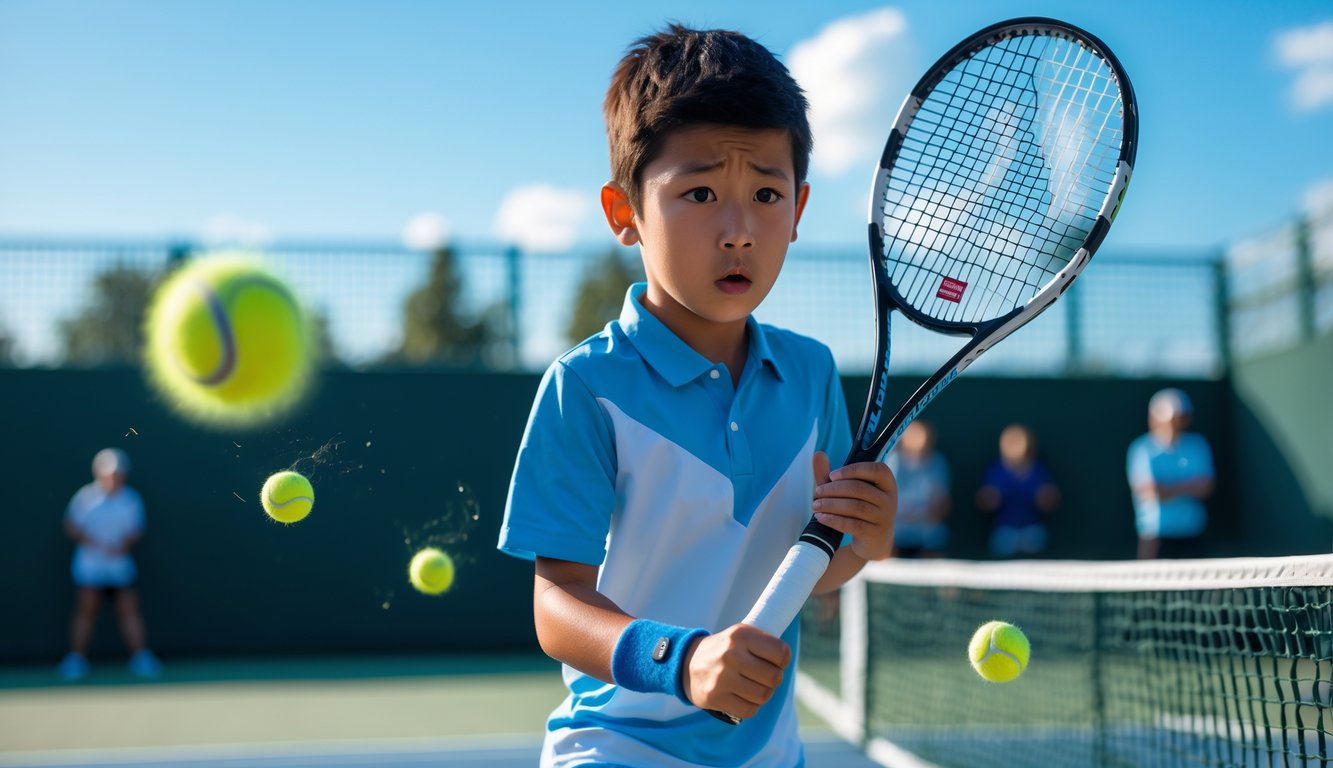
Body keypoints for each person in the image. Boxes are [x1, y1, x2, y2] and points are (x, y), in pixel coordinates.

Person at [497, 25, 896, 767]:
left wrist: (865, 541)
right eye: (701, 192)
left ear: (799, 210)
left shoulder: (810, 376)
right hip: (614, 749)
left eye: (767, 194)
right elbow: (556, 605)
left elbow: (815, 564)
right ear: (624, 214)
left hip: (769, 754)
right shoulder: (584, 388)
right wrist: (680, 662)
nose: (739, 230)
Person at [57, 448, 162, 680]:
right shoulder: (85, 497)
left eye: (118, 473)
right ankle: (76, 660)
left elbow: (136, 530)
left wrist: (121, 546)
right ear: (99, 473)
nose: (114, 477)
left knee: (129, 609)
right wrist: (95, 544)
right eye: (109, 473)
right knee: (86, 610)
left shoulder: (130, 498)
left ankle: (141, 658)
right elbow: (71, 526)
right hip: (90, 566)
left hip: (119, 565)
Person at [1126, 388, 1214, 559]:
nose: (1177, 423)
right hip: (1155, 538)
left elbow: (1206, 486)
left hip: (1192, 536)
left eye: (1181, 417)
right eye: (1172, 418)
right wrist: (1190, 486)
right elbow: (1151, 492)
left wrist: (1169, 489)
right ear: (1156, 418)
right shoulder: (1142, 449)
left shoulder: (1197, 445)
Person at [976, 424, 1060, 558]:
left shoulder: (1038, 470)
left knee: (1036, 538)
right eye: (1011, 443)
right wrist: (990, 498)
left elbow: (1049, 501)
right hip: (1005, 530)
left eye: (1019, 442)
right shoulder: (996, 470)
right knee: (1002, 541)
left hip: (1031, 529)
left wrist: (1046, 497)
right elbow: (985, 502)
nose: (1015, 447)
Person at [885, 421, 950, 558]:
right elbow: (885, 497)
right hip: (895, 526)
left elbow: (941, 504)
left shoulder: (938, 462)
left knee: (937, 536)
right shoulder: (893, 460)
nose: (920, 439)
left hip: (925, 528)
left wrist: (921, 514)